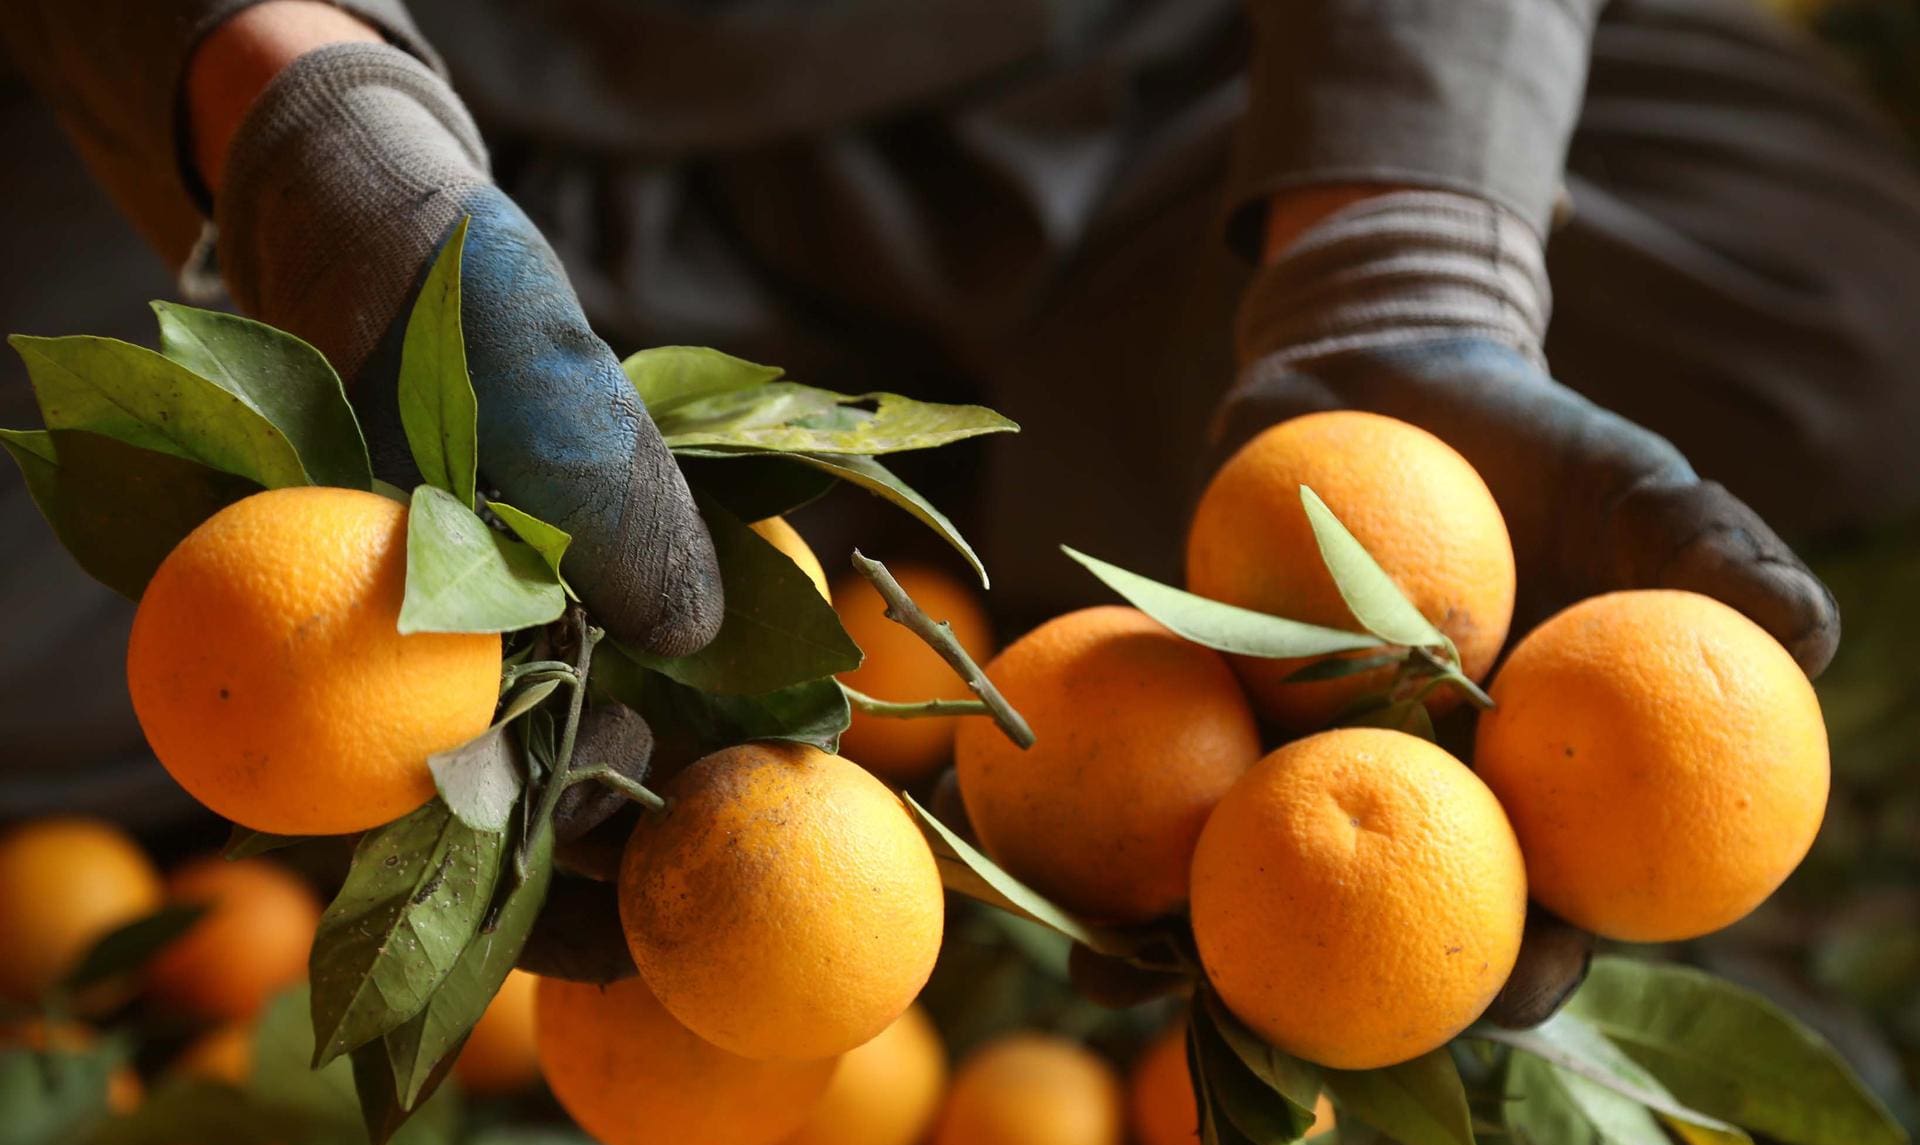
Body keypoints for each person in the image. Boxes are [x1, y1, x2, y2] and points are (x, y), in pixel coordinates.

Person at [3, 0, 1916, 834]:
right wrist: (281, 98)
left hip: (1139, 81)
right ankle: (869, 533)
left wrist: (1399, 242)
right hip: (443, 88)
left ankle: (849, 539)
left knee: (1835, 298)